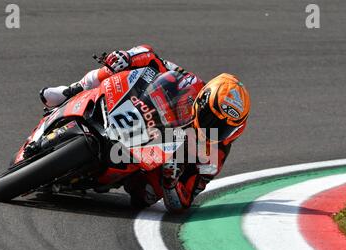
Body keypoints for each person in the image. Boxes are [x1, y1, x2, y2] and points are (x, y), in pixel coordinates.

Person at [40, 45, 250, 213]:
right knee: (115, 67)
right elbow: (151, 57)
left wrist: (171, 181)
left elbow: (184, 202)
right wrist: (128, 57)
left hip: (153, 157)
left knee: (147, 196)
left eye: (222, 128)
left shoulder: (216, 153)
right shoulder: (189, 82)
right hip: (138, 113)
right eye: (210, 119)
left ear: (237, 130)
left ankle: (100, 175)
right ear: (203, 101)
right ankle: (69, 92)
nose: (212, 128)